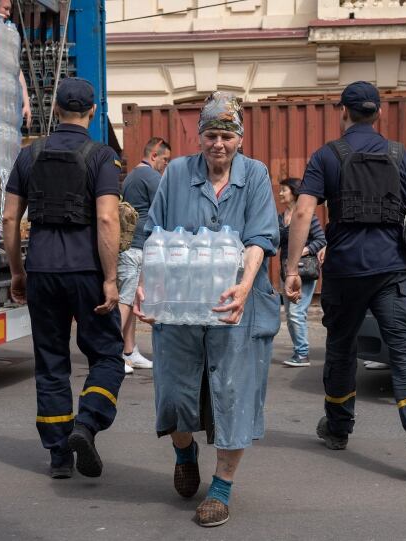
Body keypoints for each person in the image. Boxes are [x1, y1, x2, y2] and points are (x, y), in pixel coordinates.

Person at [285, 81, 406, 479]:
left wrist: (291, 269)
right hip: (394, 269)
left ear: (342, 111)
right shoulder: (399, 155)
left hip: (345, 271)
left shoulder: (327, 156)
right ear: (379, 113)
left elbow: (304, 213)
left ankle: (338, 429)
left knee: (342, 351)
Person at [135, 92, 280, 527]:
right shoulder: (177, 172)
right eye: (211, 135)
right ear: (199, 137)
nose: (218, 144)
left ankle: (221, 487)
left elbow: (261, 237)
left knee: (234, 393)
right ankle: (184, 450)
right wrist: (143, 283)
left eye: (227, 136)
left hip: (238, 305)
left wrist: (244, 284)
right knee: (176, 391)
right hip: (180, 303)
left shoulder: (255, 174)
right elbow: (153, 234)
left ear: (240, 138)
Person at [2, 77, 124, 481]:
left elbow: (9, 218)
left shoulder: (29, 154)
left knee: (51, 362)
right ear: (92, 111)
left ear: (55, 110)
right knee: (107, 354)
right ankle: (86, 425)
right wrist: (111, 278)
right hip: (86, 271)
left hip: (42, 270)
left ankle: (58, 455)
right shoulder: (101, 156)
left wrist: (18, 271)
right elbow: (107, 217)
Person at [117, 137, 172, 372]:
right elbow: (167, 207)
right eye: (165, 160)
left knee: (130, 300)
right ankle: (111, 353)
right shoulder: (151, 176)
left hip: (132, 246)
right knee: (125, 302)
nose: (165, 165)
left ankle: (129, 351)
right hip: (136, 247)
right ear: (153, 156)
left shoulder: (132, 176)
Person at [277, 178, 326, 367]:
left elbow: (320, 239)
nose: (280, 193)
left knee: (297, 313)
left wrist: (301, 251)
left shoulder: (307, 216)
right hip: (286, 270)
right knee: (289, 314)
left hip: (303, 270)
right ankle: (299, 352)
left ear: (294, 192)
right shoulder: (281, 218)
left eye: (284, 190)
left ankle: (303, 354)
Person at [0, 0, 32, 130]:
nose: (8, 13)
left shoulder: (9, 34)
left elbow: (15, 68)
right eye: (6, 9)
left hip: (5, 104)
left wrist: (26, 103)